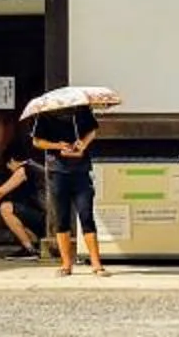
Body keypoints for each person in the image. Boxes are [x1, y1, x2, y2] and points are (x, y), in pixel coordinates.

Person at [34, 94, 108, 277]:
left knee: (86, 214)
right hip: (57, 170)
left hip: (81, 170)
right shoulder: (46, 114)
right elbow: (37, 141)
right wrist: (57, 146)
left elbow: (92, 131)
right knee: (61, 218)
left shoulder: (82, 110)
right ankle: (66, 264)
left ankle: (96, 264)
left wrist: (83, 143)